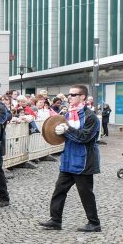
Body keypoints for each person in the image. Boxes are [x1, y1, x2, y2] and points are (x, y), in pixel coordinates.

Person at [38, 84, 102, 232]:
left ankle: (94, 223)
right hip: (68, 160)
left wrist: (67, 129)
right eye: (69, 94)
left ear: (82, 97)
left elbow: (85, 137)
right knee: (59, 190)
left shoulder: (90, 117)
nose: (69, 97)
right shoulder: (67, 114)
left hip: (84, 161)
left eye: (73, 94)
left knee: (86, 194)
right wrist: (57, 131)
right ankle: (55, 220)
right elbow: (62, 136)